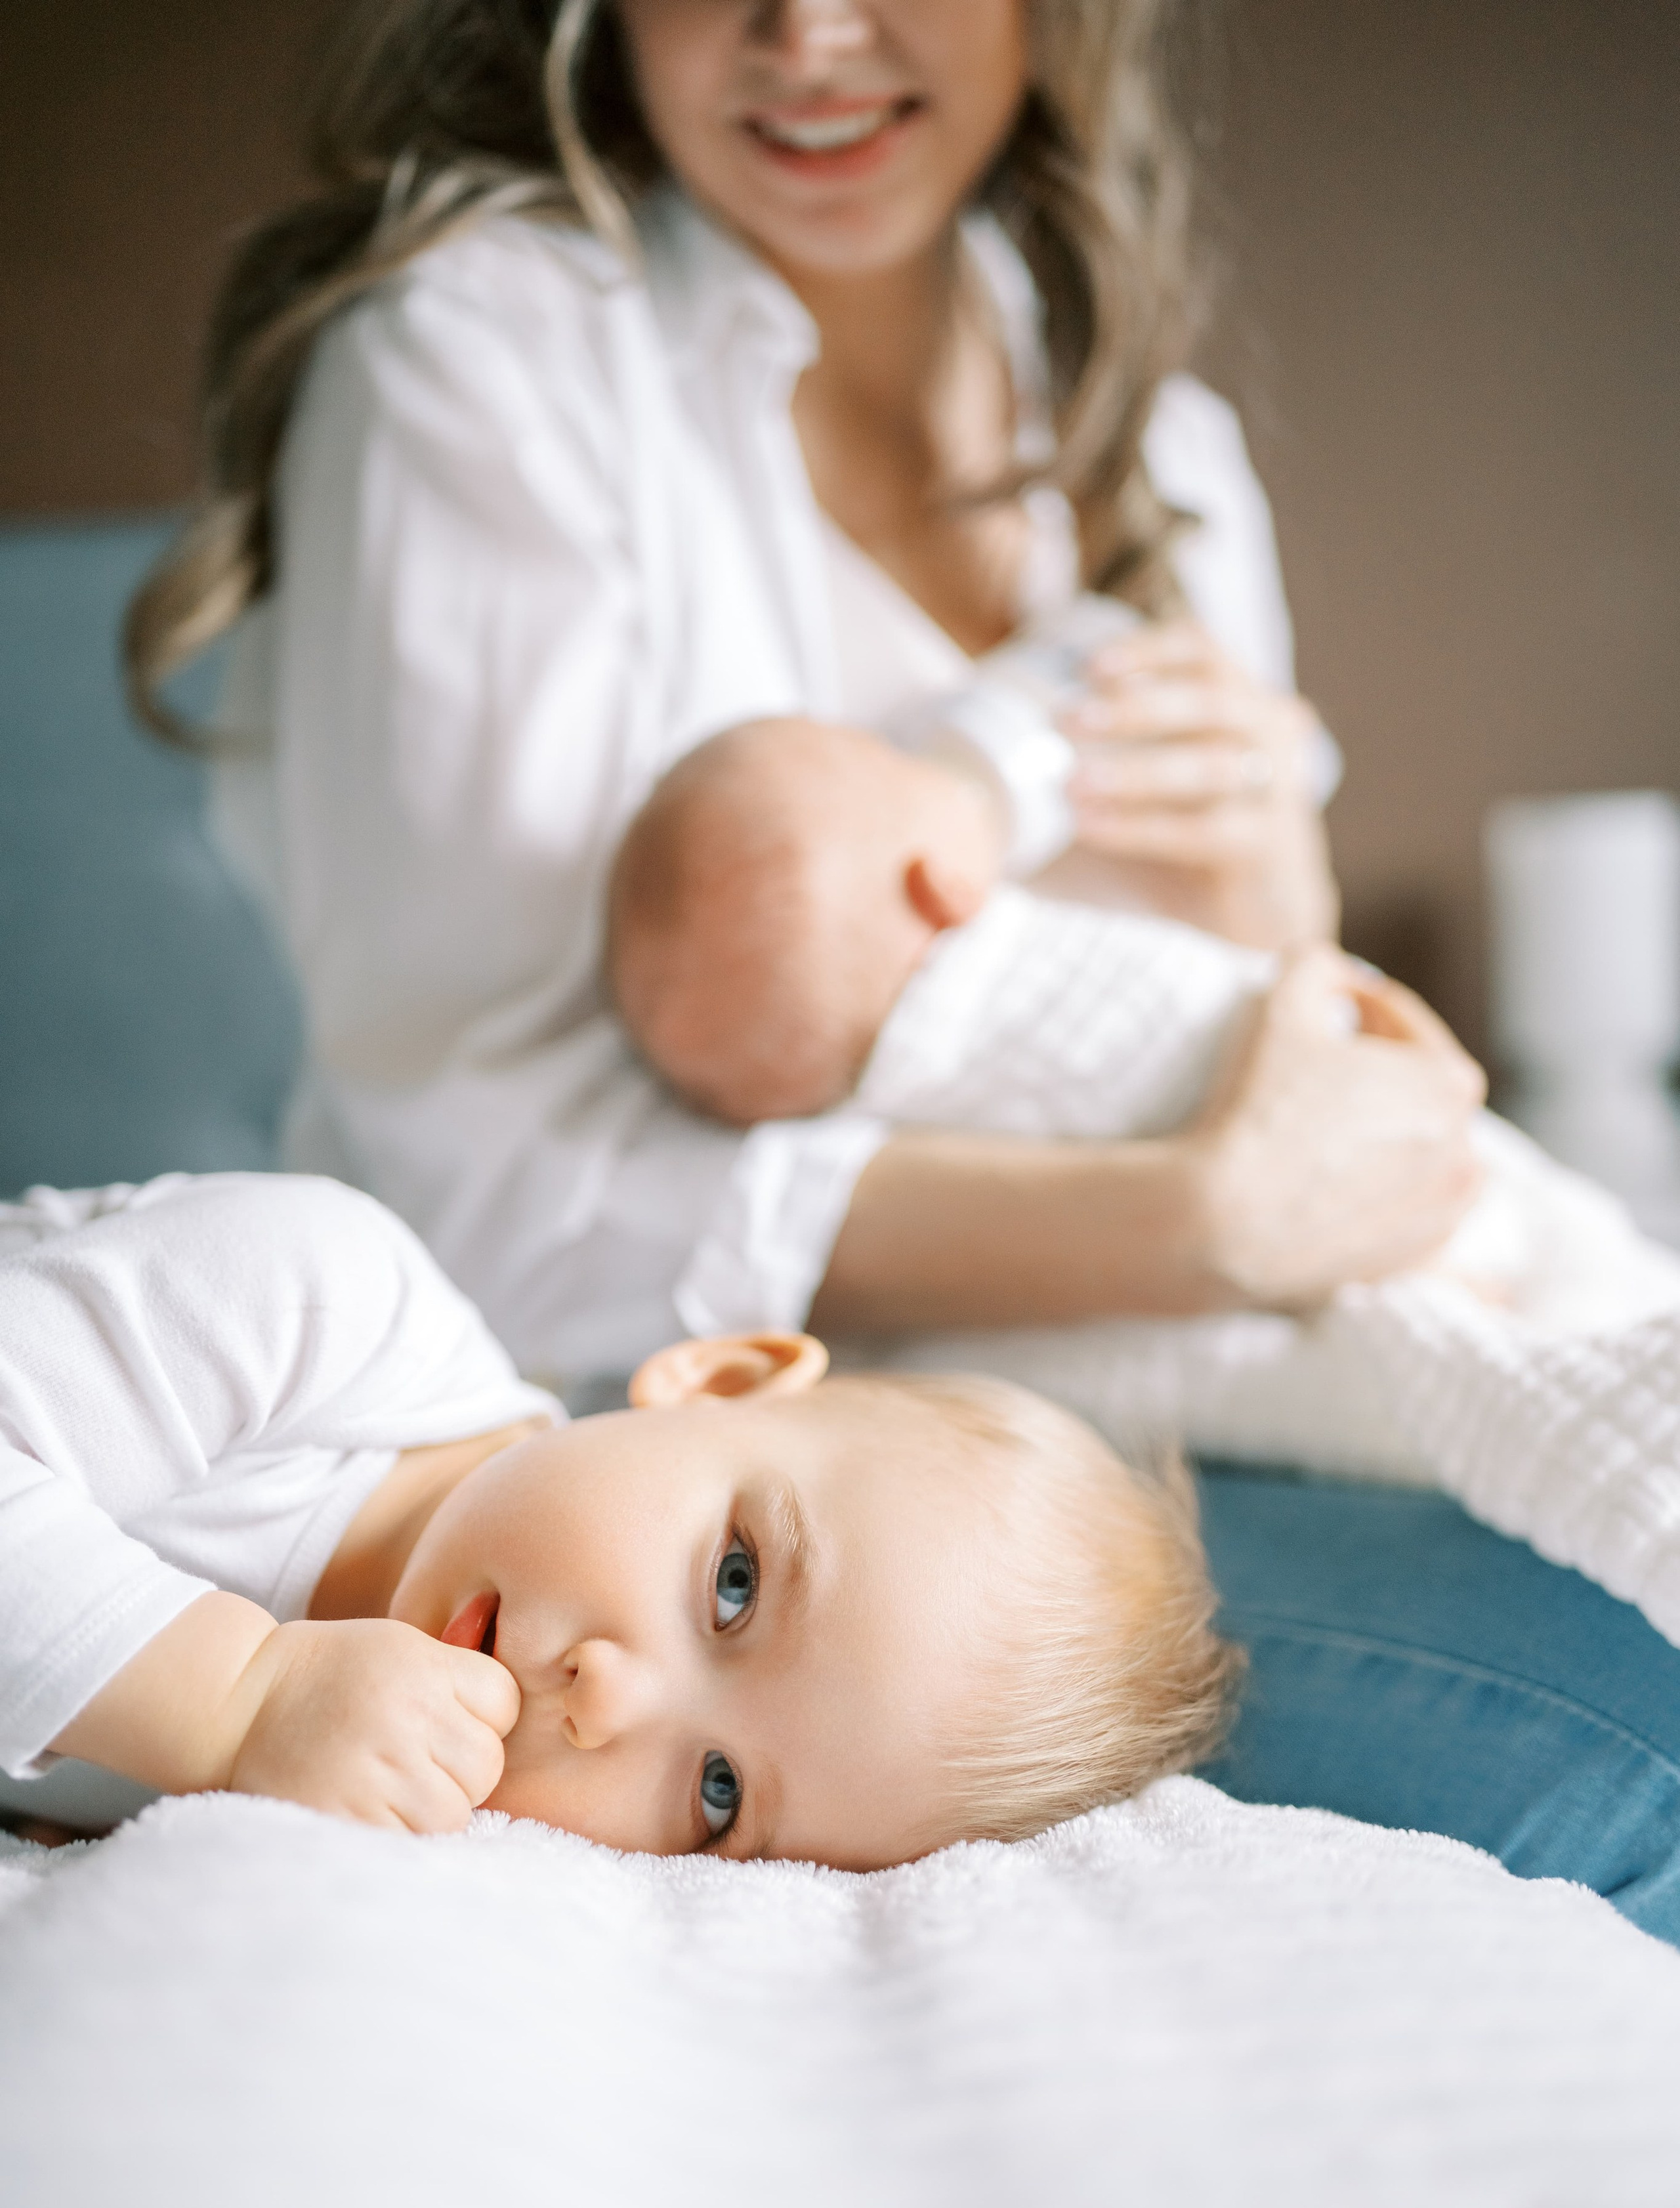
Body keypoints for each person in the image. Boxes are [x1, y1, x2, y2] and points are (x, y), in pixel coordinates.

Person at [125, 0, 1483, 1391]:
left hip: (1188, 1386)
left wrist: (1270, 901)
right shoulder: (481, 360)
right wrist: (1185, 1226)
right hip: (651, 1453)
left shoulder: (1162, 456)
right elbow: (487, 1199)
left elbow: (1307, 1096)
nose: (808, 34)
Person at [0, 1173, 1234, 1864]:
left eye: (714, 1796)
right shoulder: (323, 1297)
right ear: (718, 1380)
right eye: (735, 1586)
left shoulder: (381, 1805)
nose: (608, 1703)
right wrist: (238, 1701)